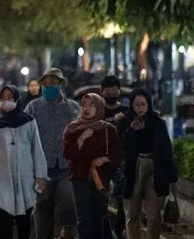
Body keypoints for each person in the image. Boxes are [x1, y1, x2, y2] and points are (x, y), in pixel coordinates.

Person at [24, 68, 79, 239]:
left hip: (66, 166)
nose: (49, 86)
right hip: (42, 168)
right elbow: (25, 135)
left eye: (53, 83)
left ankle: (68, 231)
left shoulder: (72, 108)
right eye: (46, 83)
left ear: (61, 85)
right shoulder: (33, 107)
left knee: (69, 203)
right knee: (42, 208)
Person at [0, 85, 48, 239]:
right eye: (3, 98)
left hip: (25, 177)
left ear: (17, 99)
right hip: (2, 177)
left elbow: (37, 149)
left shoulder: (29, 122)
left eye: (10, 97)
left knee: (24, 219)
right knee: (5, 220)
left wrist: (40, 175)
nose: (6, 101)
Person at [117, 89, 178, 239]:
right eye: (136, 104)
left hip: (154, 168)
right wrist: (130, 130)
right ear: (131, 105)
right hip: (132, 168)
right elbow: (118, 145)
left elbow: (166, 150)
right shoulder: (124, 121)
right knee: (132, 213)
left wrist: (172, 177)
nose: (140, 108)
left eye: (143, 104)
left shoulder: (157, 122)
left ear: (148, 104)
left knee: (154, 213)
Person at [63, 93, 122, 239]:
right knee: (84, 218)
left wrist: (105, 159)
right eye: (83, 105)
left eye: (91, 105)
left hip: (101, 179)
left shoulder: (108, 129)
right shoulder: (73, 128)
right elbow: (68, 154)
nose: (86, 108)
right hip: (80, 178)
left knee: (100, 216)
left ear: (99, 107)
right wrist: (82, 138)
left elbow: (117, 155)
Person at [101, 75, 128, 237]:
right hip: (100, 160)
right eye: (108, 93)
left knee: (121, 197)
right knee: (101, 197)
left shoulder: (125, 112)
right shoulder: (97, 111)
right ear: (102, 92)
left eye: (114, 93)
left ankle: (119, 228)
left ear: (119, 92)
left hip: (121, 160)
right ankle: (105, 231)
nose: (111, 96)